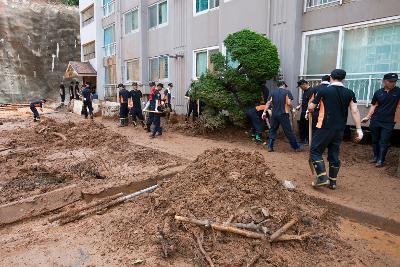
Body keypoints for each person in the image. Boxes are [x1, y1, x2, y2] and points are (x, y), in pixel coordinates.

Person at [308, 69, 363, 190]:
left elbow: (312, 107)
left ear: (331, 77)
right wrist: (359, 129)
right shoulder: (349, 93)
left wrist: (309, 107)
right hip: (339, 129)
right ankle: (332, 182)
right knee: (333, 154)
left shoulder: (324, 91)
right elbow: (354, 110)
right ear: (343, 78)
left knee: (315, 151)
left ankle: (322, 178)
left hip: (324, 126)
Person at [361, 73, 400, 167]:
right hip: (376, 119)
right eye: (390, 81)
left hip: (389, 121)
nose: (393, 83)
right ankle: (375, 156)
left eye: (394, 81)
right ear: (384, 81)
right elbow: (374, 105)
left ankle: (381, 160)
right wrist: (368, 116)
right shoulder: (378, 92)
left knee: (384, 141)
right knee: (375, 140)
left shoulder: (398, 91)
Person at [262, 81, 304, 152]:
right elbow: (289, 102)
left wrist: (264, 112)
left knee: (273, 130)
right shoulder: (287, 92)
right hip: (283, 114)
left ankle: (270, 147)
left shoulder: (273, 92)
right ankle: (296, 147)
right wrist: (292, 109)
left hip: (274, 114)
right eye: (285, 85)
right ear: (283, 85)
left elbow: (268, 103)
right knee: (288, 131)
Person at [295, 79, 312, 144]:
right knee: (302, 125)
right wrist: (300, 105)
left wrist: (308, 111)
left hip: (308, 112)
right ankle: (302, 139)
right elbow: (304, 100)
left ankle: (308, 140)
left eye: (300, 86)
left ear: (304, 84)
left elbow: (311, 102)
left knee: (307, 126)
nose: (300, 88)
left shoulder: (311, 91)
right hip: (303, 111)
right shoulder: (305, 91)